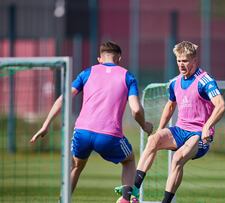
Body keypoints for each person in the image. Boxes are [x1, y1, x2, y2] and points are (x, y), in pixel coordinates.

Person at [29, 41, 153, 202]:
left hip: (82, 132)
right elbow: (136, 110)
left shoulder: (87, 72)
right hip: (109, 136)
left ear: (99, 59)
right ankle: (125, 198)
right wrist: (145, 125)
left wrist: (45, 125)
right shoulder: (127, 76)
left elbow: (63, 99)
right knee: (129, 160)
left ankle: (63, 200)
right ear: (119, 59)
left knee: (76, 167)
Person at [118, 41, 225, 203]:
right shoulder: (175, 82)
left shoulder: (205, 81)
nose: (181, 64)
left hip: (198, 136)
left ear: (195, 61)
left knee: (177, 159)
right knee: (153, 140)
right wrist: (160, 131)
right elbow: (170, 106)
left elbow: (221, 105)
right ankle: (133, 192)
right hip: (180, 130)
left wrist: (207, 127)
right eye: (179, 61)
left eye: (185, 61)